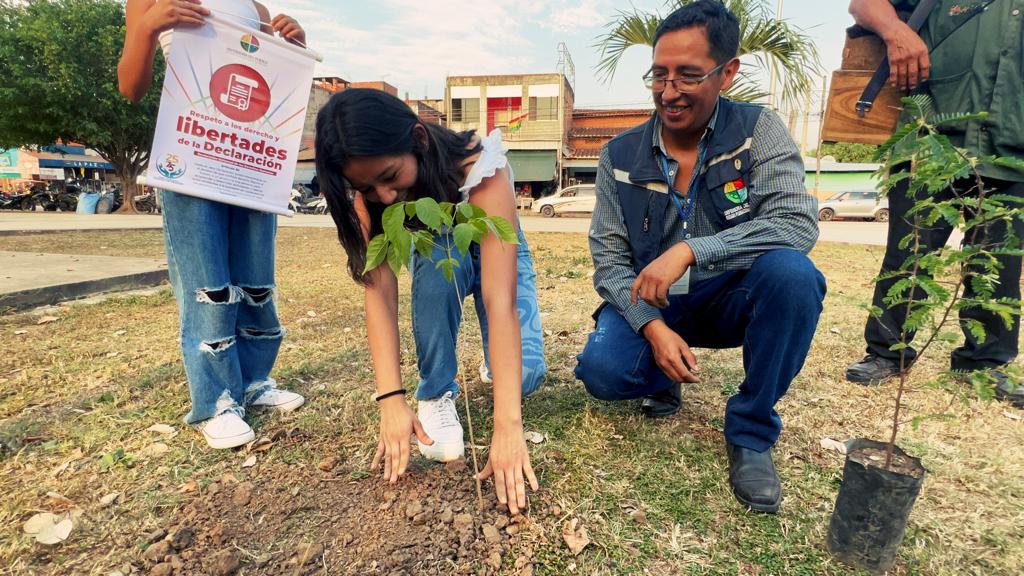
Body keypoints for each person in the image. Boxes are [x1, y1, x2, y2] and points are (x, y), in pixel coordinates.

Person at [573, 0, 826, 514]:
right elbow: (609, 259)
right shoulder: (618, 155)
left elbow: (795, 225)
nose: (669, 92)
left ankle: (752, 431)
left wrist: (691, 250)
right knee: (602, 373)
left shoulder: (759, 131)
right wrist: (651, 326)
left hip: (733, 295)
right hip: (660, 304)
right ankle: (663, 376)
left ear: (726, 72)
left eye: (688, 76)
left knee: (794, 275)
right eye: (659, 75)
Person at [314, 89, 546, 515]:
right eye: (366, 186)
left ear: (418, 139)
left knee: (524, 378)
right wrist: (391, 399)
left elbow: (501, 301)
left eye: (390, 176)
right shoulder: (372, 197)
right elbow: (380, 291)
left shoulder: (480, 165)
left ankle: (496, 366)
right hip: (439, 246)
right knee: (441, 254)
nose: (383, 196)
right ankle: (437, 390)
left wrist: (507, 425)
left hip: (494, 242)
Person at [118, 0, 306, 449]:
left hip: (252, 164)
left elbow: (275, 81)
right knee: (207, 284)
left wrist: (295, 46)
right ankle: (216, 399)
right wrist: (148, 26)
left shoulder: (254, 6)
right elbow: (131, 88)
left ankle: (255, 380)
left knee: (257, 281)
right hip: (192, 158)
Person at [845, 0, 1024, 408]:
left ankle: (984, 362)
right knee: (908, 254)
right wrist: (896, 31)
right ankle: (886, 352)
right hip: (930, 135)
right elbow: (863, 5)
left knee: (1000, 262)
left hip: (1012, 142)